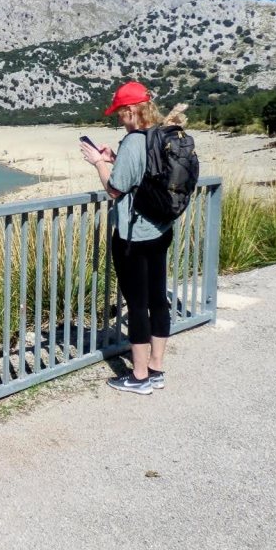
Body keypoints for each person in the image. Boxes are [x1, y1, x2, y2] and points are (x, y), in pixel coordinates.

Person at [80, 81, 186, 395]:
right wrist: (115, 158)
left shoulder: (134, 141)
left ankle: (138, 377)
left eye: (119, 113)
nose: (118, 119)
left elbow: (115, 189)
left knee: (137, 305)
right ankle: (156, 368)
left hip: (132, 236)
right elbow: (143, 174)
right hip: (159, 229)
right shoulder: (161, 135)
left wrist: (99, 163)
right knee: (157, 299)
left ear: (130, 111)